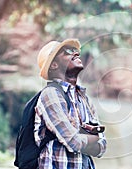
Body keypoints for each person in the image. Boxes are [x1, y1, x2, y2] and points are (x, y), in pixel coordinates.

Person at [35, 39, 106, 169]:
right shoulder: (51, 94)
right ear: (54, 65)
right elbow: (74, 142)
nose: (76, 53)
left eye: (75, 51)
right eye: (67, 51)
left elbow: (102, 146)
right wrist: (92, 139)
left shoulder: (84, 98)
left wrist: (86, 139)